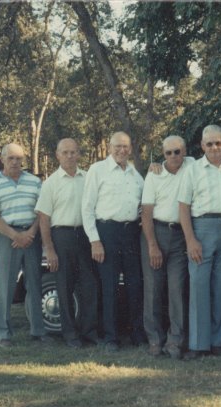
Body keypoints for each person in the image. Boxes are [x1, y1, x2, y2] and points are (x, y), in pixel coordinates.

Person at [177, 125, 221, 360]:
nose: (214, 148)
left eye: (218, 143)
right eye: (209, 144)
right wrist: (190, 240)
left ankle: (217, 341)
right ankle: (198, 344)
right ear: (202, 146)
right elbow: (183, 207)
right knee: (198, 285)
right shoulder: (193, 170)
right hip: (201, 228)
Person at [81, 131, 145, 352]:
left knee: (135, 284)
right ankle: (110, 337)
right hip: (106, 232)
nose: (121, 150)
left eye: (125, 146)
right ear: (109, 147)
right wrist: (95, 241)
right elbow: (87, 208)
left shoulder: (136, 175)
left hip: (130, 233)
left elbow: (141, 206)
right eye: (117, 146)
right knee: (108, 286)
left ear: (130, 148)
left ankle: (137, 333)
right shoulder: (97, 171)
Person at [35, 138, 99, 348]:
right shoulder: (50, 183)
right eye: (65, 152)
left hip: (86, 235)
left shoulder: (89, 178)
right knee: (64, 286)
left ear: (78, 154)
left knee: (89, 285)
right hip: (62, 237)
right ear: (58, 155)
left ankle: (89, 332)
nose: (70, 156)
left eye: (73, 152)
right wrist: (49, 249)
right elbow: (44, 218)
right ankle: (70, 334)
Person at [0, 143, 49, 347]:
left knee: (35, 284)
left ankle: (38, 331)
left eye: (18, 158)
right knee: (5, 286)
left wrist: (30, 233)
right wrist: (15, 236)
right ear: (2, 159)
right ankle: (3, 333)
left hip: (31, 236)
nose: (15, 162)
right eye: (10, 158)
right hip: (7, 237)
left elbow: (42, 211)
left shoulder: (34, 182)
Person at [140, 135, 194, 359]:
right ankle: (155, 339)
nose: (173, 156)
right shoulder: (154, 174)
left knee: (177, 290)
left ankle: (175, 341)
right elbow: (146, 213)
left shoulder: (192, 167)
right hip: (156, 233)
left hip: (181, 235)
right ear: (163, 155)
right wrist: (152, 245)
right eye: (168, 152)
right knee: (152, 289)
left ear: (185, 152)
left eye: (177, 152)